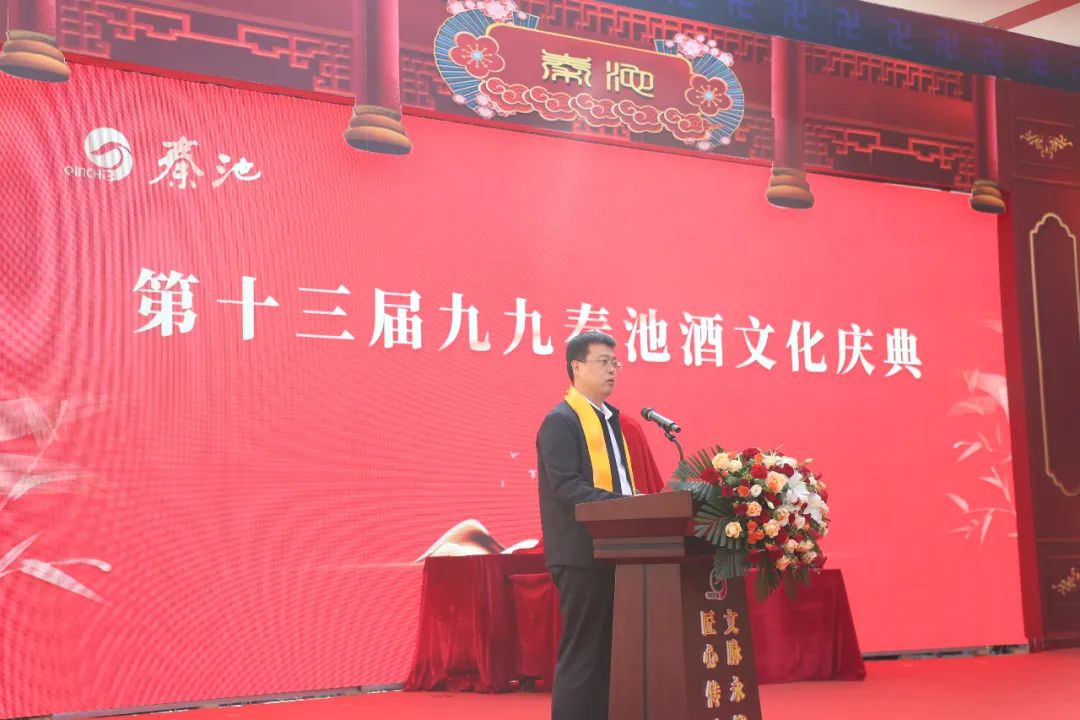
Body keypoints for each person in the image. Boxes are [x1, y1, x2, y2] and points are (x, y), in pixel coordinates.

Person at [537, 330, 635, 720]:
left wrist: (635, 505)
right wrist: (626, 506)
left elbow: (619, 483)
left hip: (616, 552)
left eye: (615, 362)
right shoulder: (560, 422)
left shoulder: (610, 421)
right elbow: (567, 487)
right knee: (583, 653)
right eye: (603, 362)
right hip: (581, 555)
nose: (612, 370)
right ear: (576, 367)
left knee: (608, 655)